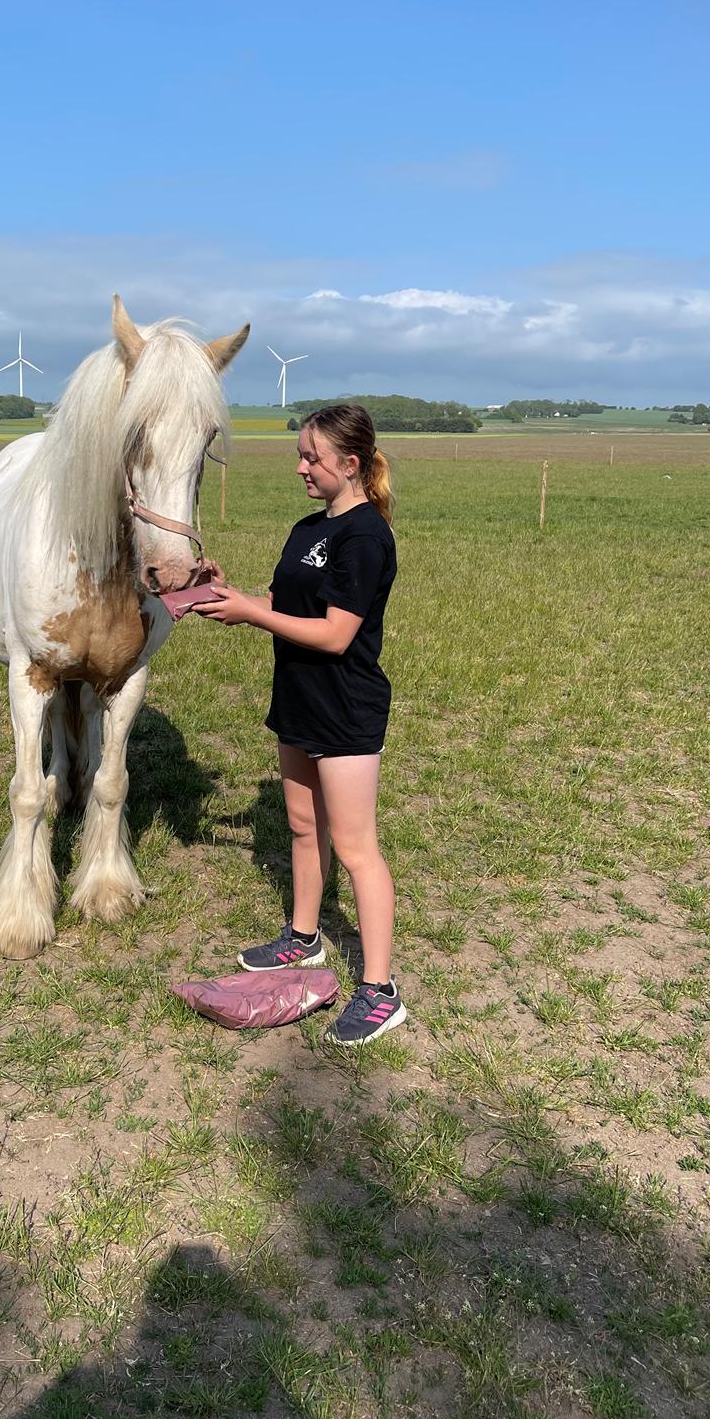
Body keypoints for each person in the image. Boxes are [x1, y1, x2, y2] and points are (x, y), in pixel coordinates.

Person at [194, 404, 405, 1046]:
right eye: (302, 455)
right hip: (299, 700)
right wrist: (235, 596)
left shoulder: (366, 537)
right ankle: (304, 939)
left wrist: (252, 616)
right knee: (302, 825)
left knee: (354, 846)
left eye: (313, 457)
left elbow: (337, 634)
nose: (302, 466)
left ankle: (380, 990)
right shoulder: (307, 529)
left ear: (352, 464)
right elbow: (289, 605)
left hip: (345, 708)